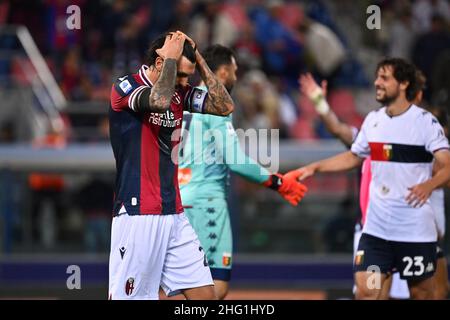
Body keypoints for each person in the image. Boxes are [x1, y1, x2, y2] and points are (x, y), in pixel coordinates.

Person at [288, 58, 450, 299]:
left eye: (384, 78)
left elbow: (447, 166)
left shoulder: (425, 123)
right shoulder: (373, 120)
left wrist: (429, 185)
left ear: (404, 83)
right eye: (377, 77)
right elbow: (354, 156)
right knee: (368, 291)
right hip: (377, 232)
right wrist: (314, 167)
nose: (377, 83)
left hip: (413, 230)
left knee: (422, 294)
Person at [108, 31, 236, 300]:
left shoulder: (181, 92)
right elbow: (158, 100)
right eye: (181, 75)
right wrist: (169, 59)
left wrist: (199, 58)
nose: (185, 83)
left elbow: (225, 106)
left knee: (205, 296)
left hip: (174, 213)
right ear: (160, 63)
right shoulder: (126, 87)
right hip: (137, 213)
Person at [178, 44, 308, 300]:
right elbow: (235, 161)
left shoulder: (185, 100)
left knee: (180, 286)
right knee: (215, 288)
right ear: (224, 72)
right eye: (235, 71)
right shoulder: (213, 103)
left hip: (180, 203)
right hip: (206, 205)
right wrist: (278, 183)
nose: (236, 78)